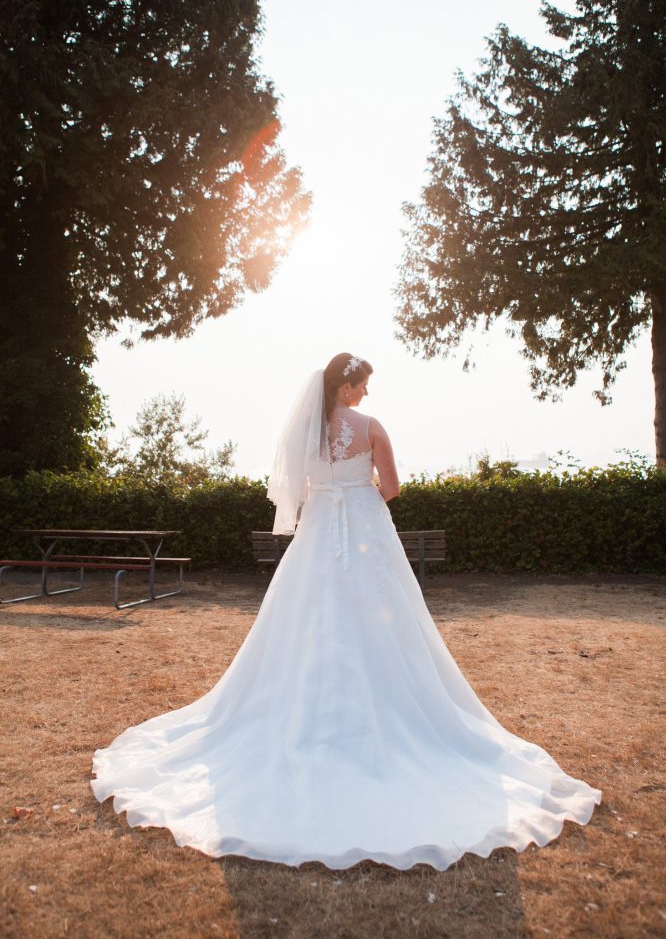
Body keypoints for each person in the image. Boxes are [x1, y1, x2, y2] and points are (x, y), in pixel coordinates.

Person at [91, 353, 601, 870]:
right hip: (366, 529)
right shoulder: (372, 427)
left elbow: (294, 492)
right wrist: (363, 496)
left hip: (315, 535)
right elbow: (394, 487)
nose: (366, 395)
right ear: (347, 384)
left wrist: (331, 495)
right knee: (386, 620)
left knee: (304, 621)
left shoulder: (306, 432)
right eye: (363, 385)